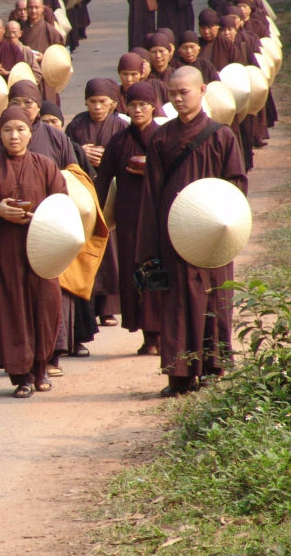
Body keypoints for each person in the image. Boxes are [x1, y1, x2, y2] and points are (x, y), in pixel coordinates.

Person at [135, 67, 247, 397]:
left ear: (202, 91)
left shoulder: (221, 135)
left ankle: (213, 368)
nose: (178, 98)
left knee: (214, 296)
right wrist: (150, 243)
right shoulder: (161, 137)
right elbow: (152, 193)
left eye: (184, 91)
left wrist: (223, 220)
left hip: (211, 233)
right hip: (175, 233)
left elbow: (236, 183)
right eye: (172, 93)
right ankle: (179, 376)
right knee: (177, 304)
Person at [0, 106, 67, 398]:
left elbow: (61, 203)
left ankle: (41, 368)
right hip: (7, 251)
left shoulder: (45, 166)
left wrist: (41, 217)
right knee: (14, 310)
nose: (14, 136)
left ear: (30, 133)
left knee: (45, 305)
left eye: (20, 130)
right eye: (7, 130)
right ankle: (21, 376)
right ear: (0, 134)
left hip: (42, 249)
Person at [95, 82, 160, 355]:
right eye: (132, 105)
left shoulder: (162, 137)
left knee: (156, 271)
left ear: (152, 107)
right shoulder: (119, 141)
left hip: (158, 217)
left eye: (143, 105)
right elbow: (103, 178)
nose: (137, 110)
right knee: (135, 273)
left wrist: (151, 169)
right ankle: (147, 335)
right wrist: (95, 214)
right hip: (130, 218)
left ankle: (159, 334)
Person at [65, 79, 126, 326]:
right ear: (85, 102)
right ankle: (87, 303)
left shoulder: (121, 125)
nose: (97, 107)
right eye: (92, 102)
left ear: (112, 103)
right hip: (85, 193)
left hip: (110, 193)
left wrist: (108, 158)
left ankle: (109, 308)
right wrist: (81, 152)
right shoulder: (76, 125)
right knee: (86, 247)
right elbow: (66, 154)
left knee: (110, 249)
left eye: (103, 102)